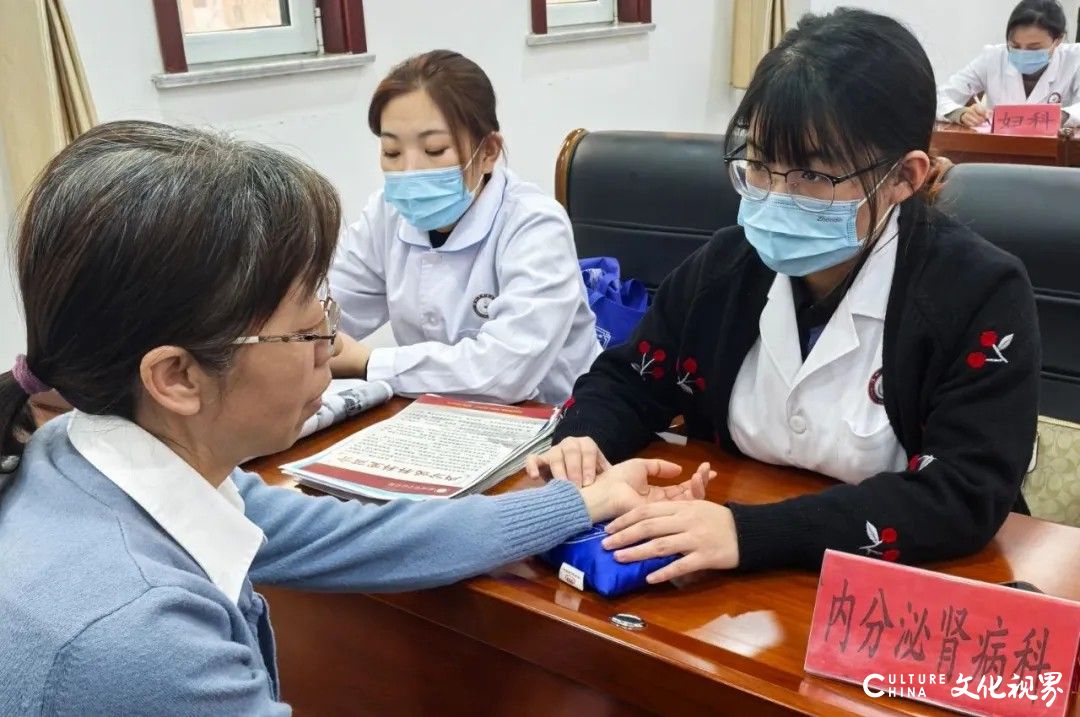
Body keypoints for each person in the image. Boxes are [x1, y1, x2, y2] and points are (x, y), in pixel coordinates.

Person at [0, 121, 711, 715]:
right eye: (306, 330)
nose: (328, 349)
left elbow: (362, 532)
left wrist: (576, 503)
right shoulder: (141, 638)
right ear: (176, 376)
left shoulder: (85, 451)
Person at [526, 9, 1040, 582]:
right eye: (762, 165)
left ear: (904, 177)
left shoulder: (978, 291)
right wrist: (583, 440)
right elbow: (627, 380)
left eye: (811, 176)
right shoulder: (727, 266)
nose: (775, 197)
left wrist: (751, 533)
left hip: (899, 585)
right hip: (728, 580)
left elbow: (963, 494)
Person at [329, 50, 600, 404]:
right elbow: (326, 311)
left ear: (488, 151)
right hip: (439, 417)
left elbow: (506, 371)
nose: (409, 170)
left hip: (553, 422)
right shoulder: (387, 213)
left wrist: (370, 363)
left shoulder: (534, 224)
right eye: (392, 152)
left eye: (435, 149)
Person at [938, 0, 1080, 128]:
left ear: (1058, 40)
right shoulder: (993, 57)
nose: (1023, 53)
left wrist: (1060, 116)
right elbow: (939, 97)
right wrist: (959, 113)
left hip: (1056, 151)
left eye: (1034, 48)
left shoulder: (1074, 58)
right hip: (999, 150)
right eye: (1015, 46)